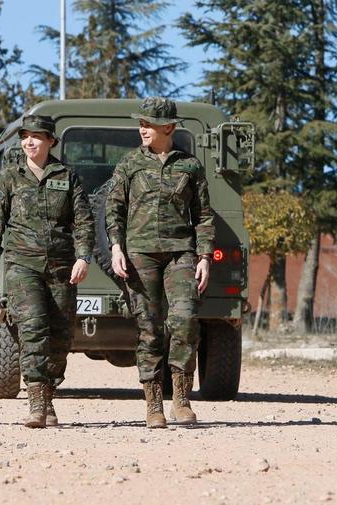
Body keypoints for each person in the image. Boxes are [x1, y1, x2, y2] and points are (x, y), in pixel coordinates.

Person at [106, 97, 215, 428]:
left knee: (184, 321)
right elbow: (114, 210)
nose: (142, 128)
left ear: (169, 128)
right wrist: (115, 247)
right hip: (140, 254)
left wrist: (205, 256)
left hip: (181, 252)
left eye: (149, 124)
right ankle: (153, 405)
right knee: (149, 329)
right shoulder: (128, 165)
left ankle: (181, 400)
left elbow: (204, 215)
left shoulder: (190, 166)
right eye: (141, 123)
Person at [0, 114, 94, 428]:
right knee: (33, 329)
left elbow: (83, 220)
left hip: (60, 266)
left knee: (60, 336)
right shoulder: (9, 177)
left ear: (51, 141)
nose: (30, 142)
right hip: (21, 266)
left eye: (37, 137)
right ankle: (35, 404)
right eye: (26, 136)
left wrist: (83, 257)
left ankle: (48, 395)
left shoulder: (66, 176)